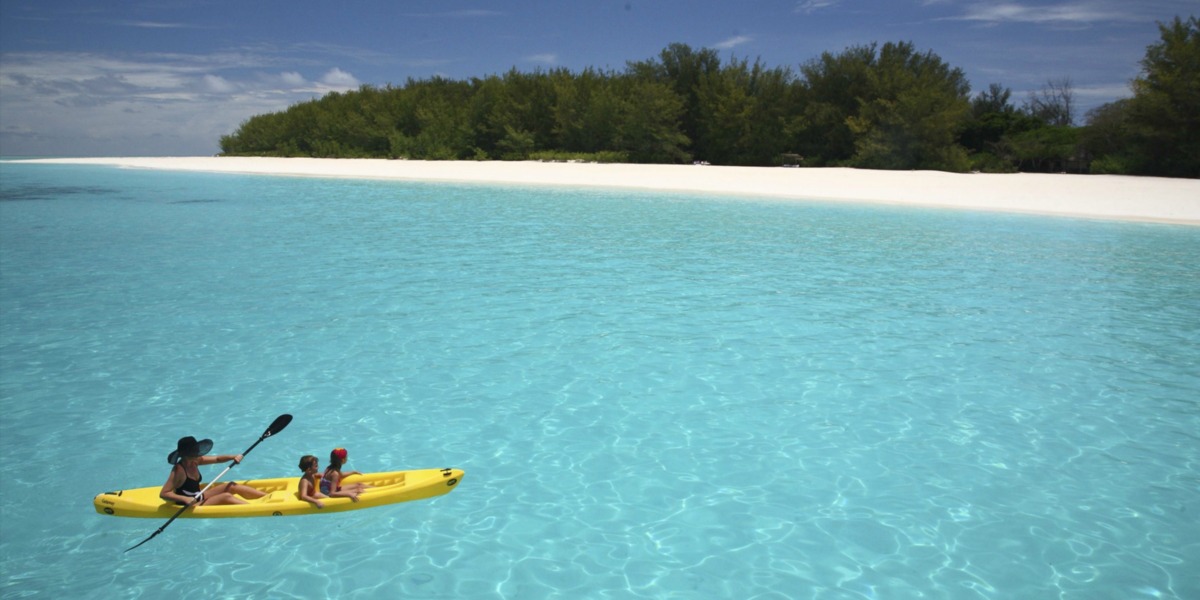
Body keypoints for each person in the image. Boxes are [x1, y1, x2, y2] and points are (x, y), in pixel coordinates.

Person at [159, 436, 266, 506]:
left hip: (199, 495)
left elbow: (217, 459)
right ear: (185, 454)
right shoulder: (179, 470)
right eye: (194, 451)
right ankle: (251, 508)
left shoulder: (195, 460)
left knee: (231, 486)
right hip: (190, 504)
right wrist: (184, 499)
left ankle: (266, 498)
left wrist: (234, 457)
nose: (197, 452)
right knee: (226, 497)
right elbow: (164, 493)